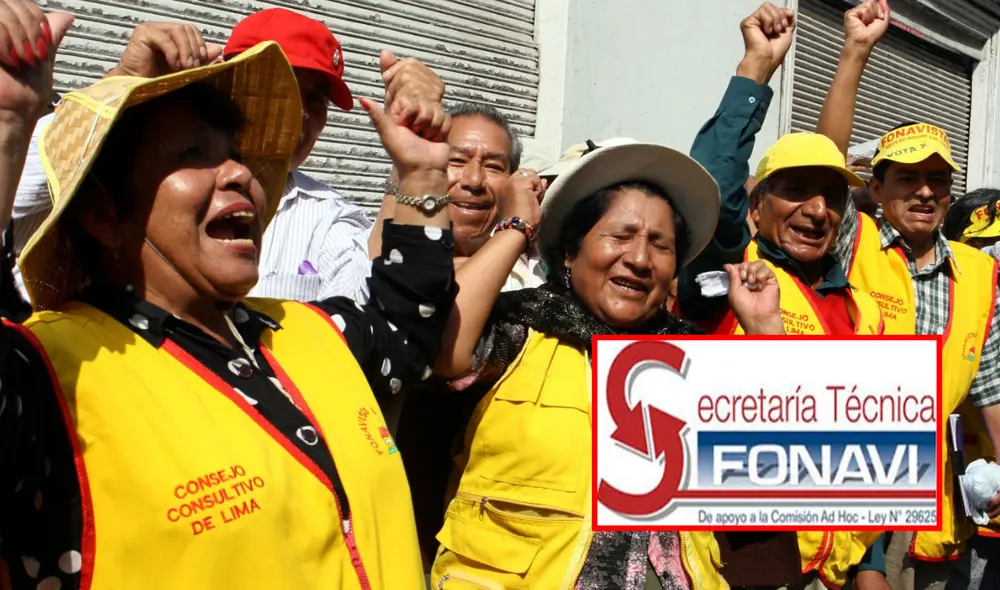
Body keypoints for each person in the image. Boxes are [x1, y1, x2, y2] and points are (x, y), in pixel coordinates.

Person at [0, 2, 458, 589]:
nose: (240, 174)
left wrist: (421, 175)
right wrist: (11, 126)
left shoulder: (310, 331)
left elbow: (406, 326)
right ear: (101, 213)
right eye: (192, 154)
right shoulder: (52, 373)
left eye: (236, 154)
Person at [424, 131, 785, 588]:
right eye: (621, 235)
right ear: (571, 253)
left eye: (660, 244)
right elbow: (448, 349)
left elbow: (772, 473)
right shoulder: (518, 332)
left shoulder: (690, 361)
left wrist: (764, 326)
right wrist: (517, 227)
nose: (639, 258)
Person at [11, 10, 443, 304]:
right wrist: (121, 86)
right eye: (287, 88)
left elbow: (375, 323)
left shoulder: (328, 217)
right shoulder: (136, 175)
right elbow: (21, 197)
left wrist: (416, 171)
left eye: (317, 99)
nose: (302, 114)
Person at [676, 4, 883, 588]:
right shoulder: (731, 275)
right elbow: (708, 194)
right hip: (733, 566)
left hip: (825, 572)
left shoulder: (859, 307)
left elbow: (864, 446)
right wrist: (755, 70)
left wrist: (867, 566)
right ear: (757, 207)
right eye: (794, 192)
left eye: (831, 199)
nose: (817, 211)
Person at [816, 1, 1000, 587]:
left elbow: (991, 384)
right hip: (845, 468)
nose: (925, 192)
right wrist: (855, 51)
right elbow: (823, 163)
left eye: (939, 180)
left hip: (938, 487)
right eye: (907, 178)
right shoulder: (856, 240)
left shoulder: (978, 271)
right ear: (875, 186)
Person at [369, 101, 522, 264]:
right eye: (457, 160)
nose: (474, 180)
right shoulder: (368, 253)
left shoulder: (531, 276)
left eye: (493, 166)